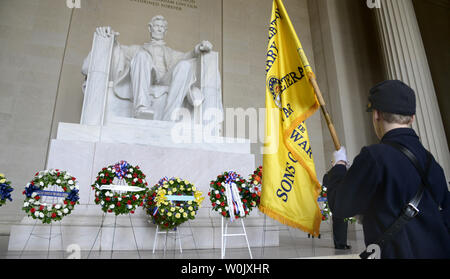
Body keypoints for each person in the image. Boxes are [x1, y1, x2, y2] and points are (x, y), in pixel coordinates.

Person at [323, 80, 450, 258]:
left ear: (376, 114)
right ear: (412, 117)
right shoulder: (431, 163)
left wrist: (339, 166)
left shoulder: (374, 157)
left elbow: (340, 206)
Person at [93, 15, 212, 120]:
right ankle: (142, 107)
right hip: (149, 75)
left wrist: (198, 48)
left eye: (162, 27)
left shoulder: (171, 52)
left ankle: (170, 115)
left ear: (165, 31)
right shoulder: (137, 49)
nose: (159, 29)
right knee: (141, 56)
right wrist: (110, 38)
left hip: (165, 78)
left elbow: (187, 56)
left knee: (185, 65)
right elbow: (119, 49)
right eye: (156, 26)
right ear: (150, 28)